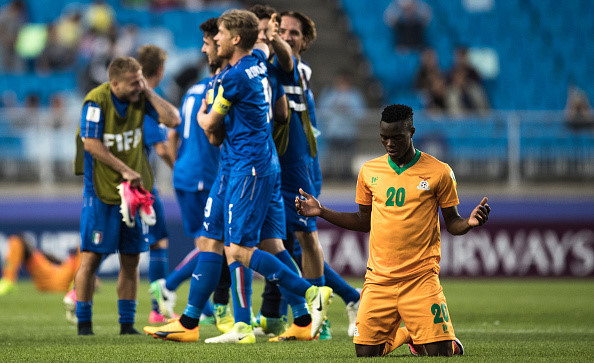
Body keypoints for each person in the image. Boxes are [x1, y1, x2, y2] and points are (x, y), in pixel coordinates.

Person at [143, 9, 332, 344]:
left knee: (237, 250)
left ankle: (305, 296)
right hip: (248, 165)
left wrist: (204, 114)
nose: (209, 45)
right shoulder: (258, 62)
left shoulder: (231, 78)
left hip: (246, 168)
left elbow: (212, 130)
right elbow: (277, 107)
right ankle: (192, 323)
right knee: (246, 243)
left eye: (215, 38)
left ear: (234, 39)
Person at [296, 104, 490, 357]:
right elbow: (363, 220)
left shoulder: (439, 171)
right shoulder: (369, 171)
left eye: (396, 137)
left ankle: (429, 337)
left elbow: (452, 223)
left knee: (440, 353)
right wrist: (322, 211)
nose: (389, 143)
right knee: (365, 352)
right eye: (384, 138)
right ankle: (410, 333)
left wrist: (469, 223)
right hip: (379, 279)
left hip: (420, 277)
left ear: (411, 132)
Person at [73, 56, 180, 336]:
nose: (138, 88)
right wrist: (125, 169)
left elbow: (173, 119)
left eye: (140, 81)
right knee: (92, 259)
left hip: (134, 194)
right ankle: (84, 324)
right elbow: (92, 144)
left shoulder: (141, 98)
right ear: (114, 83)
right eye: (132, 84)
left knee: (131, 259)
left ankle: (126, 325)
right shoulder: (96, 101)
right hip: (101, 191)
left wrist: (147, 91)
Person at [149, 17, 231, 331]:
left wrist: (177, 167)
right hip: (203, 175)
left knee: (209, 244)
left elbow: (172, 137)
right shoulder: (217, 91)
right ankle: (169, 285)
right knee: (214, 245)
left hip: (185, 174)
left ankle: (205, 307)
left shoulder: (191, 91)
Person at [135, 44, 180, 324]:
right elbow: (162, 148)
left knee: (112, 240)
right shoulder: (149, 102)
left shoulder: (126, 97)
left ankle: (78, 291)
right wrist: (181, 170)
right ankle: (157, 307)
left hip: (124, 179)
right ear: (160, 71)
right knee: (158, 241)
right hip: (140, 182)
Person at [318, 69, 366, 179]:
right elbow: (322, 112)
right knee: (331, 155)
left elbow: (361, 114)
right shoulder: (329, 95)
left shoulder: (355, 96)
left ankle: (346, 174)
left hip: (349, 132)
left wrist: (348, 109)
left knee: (347, 156)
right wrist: (335, 107)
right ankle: (329, 174)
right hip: (332, 132)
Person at [0, 234, 80, 296]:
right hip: (59, 278)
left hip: (57, 280)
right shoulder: (72, 264)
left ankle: (8, 281)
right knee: (16, 242)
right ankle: (8, 281)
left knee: (16, 242)